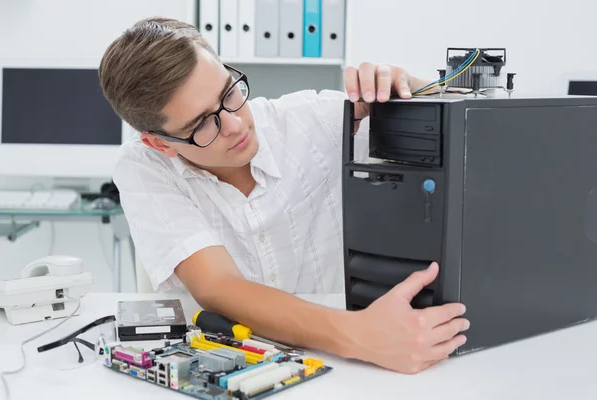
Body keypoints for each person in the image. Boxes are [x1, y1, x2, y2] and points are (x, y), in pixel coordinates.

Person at [98, 17, 469, 374]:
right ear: (159, 142)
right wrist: (359, 336)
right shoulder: (143, 166)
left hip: (343, 370)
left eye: (229, 93)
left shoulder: (314, 119)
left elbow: (472, 131)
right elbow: (218, 287)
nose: (234, 124)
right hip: (229, 364)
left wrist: (419, 91)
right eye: (200, 125)